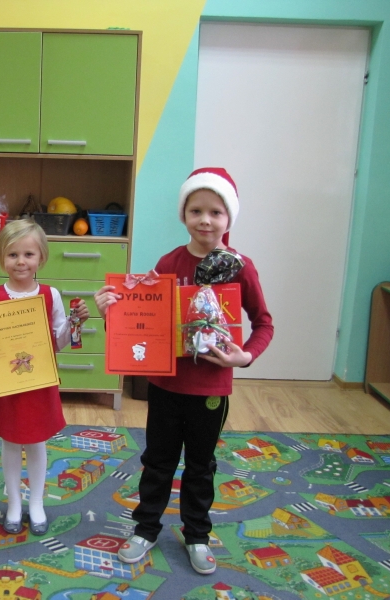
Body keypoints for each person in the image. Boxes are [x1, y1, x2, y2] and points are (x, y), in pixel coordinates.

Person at [94, 167, 274, 574]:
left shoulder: (240, 267)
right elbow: (143, 319)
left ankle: (197, 535)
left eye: (216, 212)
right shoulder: (169, 263)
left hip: (211, 389)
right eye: (196, 211)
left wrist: (245, 357)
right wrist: (112, 312)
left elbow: (264, 323)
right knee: (157, 461)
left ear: (229, 217)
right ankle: (145, 529)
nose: (205, 220)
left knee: (200, 465)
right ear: (183, 215)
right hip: (165, 385)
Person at [0, 219, 90, 536]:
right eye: (12, 255)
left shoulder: (51, 295)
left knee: (37, 442)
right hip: (7, 384)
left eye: (28, 254)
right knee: (11, 442)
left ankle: (36, 503)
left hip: (39, 382)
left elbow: (59, 341)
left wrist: (75, 323)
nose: (20, 262)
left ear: (41, 257)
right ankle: (14, 503)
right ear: (2, 257)